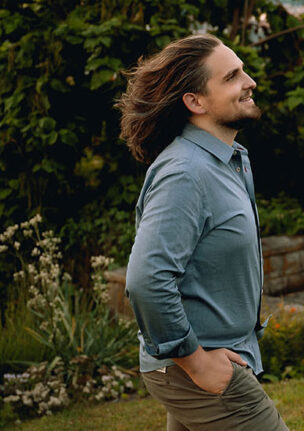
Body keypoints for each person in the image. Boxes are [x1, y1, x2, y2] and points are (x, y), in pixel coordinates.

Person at [118, 34, 288, 431]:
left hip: (210, 362)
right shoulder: (185, 173)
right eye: (232, 77)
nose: (250, 82)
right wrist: (197, 363)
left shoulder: (228, 161)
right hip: (196, 367)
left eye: (244, 71)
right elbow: (146, 281)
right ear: (195, 102)